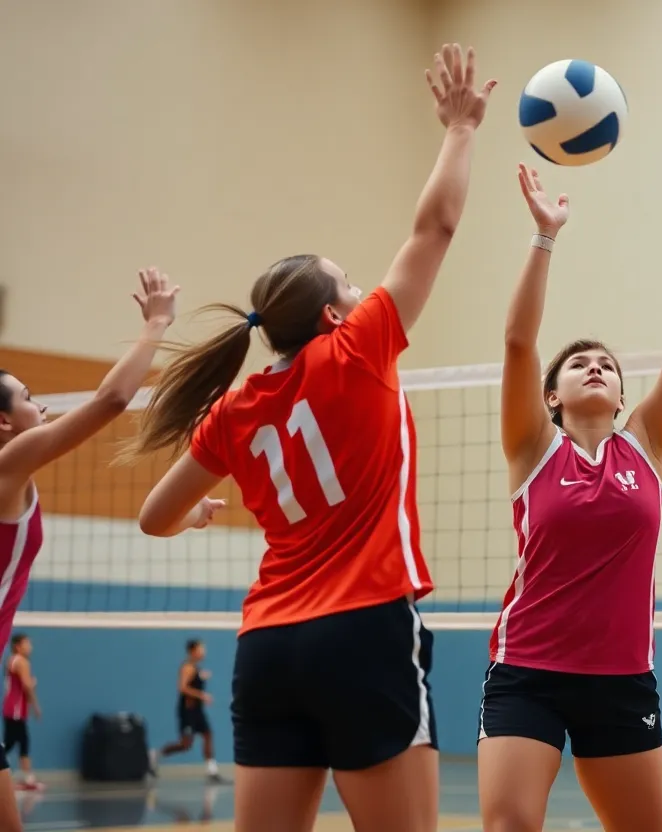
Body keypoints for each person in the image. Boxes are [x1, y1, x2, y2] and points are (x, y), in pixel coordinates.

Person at [130, 44, 495, 832]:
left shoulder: (230, 413)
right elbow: (435, 226)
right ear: (333, 315)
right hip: (364, 628)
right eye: (352, 284)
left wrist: (193, 518)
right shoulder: (357, 350)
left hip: (268, 645)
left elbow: (153, 516)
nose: (367, 292)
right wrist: (461, 129)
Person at [477, 153, 662, 832]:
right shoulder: (532, 449)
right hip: (528, 671)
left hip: (622, 679)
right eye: (579, 363)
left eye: (606, 363)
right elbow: (519, 341)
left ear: (621, 393)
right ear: (553, 396)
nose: (596, 367)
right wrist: (544, 236)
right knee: (508, 826)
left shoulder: (646, 445)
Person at [0, 267, 179, 829]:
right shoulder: (8, 466)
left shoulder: (15, 476)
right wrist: (156, 325)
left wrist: (186, 513)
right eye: (29, 398)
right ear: (4, 423)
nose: (43, 406)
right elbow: (113, 399)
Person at [149, 639, 222, 782]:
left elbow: (194, 681)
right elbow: (182, 687)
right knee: (185, 745)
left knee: (208, 734)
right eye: (201, 649)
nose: (203, 652)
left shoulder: (196, 668)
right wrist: (202, 695)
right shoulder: (187, 667)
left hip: (197, 710)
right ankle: (154, 755)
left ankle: (211, 771)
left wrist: (202, 676)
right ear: (192, 651)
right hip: (187, 711)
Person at [3, 634, 41, 791]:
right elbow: (27, 686)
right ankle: (28, 779)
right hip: (16, 709)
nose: (30, 647)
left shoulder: (11, 660)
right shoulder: (22, 662)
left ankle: (27, 778)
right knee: (19, 742)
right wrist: (36, 705)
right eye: (27, 644)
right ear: (18, 646)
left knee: (14, 742)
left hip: (11, 707)